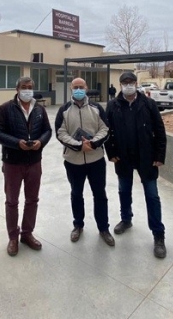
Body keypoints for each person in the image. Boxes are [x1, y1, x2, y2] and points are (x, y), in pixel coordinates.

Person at [105, 71, 168, 258]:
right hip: (123, 157)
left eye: (131, 82)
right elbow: (107, 131)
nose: (128, 85)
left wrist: (159, 156)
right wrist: (112, 153)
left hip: (147, 157)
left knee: (152, 195)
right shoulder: (112, 105)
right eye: (124, 82)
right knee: (124, 190)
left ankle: (158, 234)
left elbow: (160, 131)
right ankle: (126, 219)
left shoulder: (148, 104)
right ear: (120, 84)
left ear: (136, 83)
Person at [0, 77, 52, 257]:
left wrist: (41, 142)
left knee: (32, 200)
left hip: (34, 162)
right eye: (24, 87)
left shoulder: (40, 109)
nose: (27, 90)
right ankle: (13, 237)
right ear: (17, 89)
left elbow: (48, 130)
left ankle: (27, 234)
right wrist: (17, 143)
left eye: (30, 87)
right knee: (12, 201)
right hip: (12, 163)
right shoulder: (5, 108)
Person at [55, 78, 114, 246]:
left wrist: (93, 143)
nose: (79, 89)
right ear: (71, 89)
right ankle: (78, 225)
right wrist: (79, 146)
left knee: (100, 195)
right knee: (76, 194)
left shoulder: (97, 108)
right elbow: (60, 133)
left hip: (96, 160)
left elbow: (105, 129)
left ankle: (103, 228)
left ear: (87, 88)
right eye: (76, 87)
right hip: (73, 161)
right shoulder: (64, 110)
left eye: (81, 87)